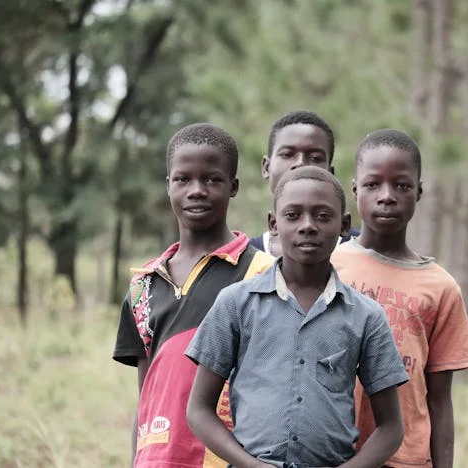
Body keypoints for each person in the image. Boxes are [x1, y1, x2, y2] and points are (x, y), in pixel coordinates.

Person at [186, 166, 408, 468]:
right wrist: (250, 464)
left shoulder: (366, 316)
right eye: (293, 215)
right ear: (273, 224)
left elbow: (391, 428)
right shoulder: (236, 303)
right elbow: (199, 409)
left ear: (344, 226)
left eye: (322, 216)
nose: (308, 226)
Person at [113, 123, 274, 468]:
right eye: (183, 179)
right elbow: (148, 395)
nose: (196, 190)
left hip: (232, 457)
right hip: (159, 458)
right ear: (168, 185)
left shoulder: (262, 273)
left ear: (233, 187)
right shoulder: (143, 285)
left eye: (212, 180)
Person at [331, 129, 468, 468]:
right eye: (372, 185)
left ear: (419, 192)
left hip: (407, 458)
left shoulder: (441, 287)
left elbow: (440, 399)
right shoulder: (328, 267)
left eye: (401, 185)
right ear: (354, 190)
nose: (387, 196)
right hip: (333, 453)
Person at [250, 110, 358, 256]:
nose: (300, 163)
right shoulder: (244, 258)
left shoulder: (360, 251)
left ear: (330, 173)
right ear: (266, 167)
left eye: (315, 157)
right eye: (287, 154)